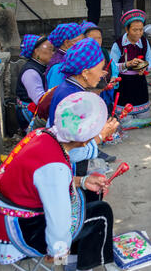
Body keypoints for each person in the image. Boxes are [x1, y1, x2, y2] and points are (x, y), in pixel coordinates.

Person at [0, 91, 114, 271]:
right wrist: (58, 253)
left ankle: (74, 260)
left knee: (91, 194)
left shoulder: (42, 135)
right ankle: (80, 269)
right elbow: (58, 219)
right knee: (101, 213)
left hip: (8, 217)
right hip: (19, 232)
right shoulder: (56, 167)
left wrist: (84, 181)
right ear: (84, 138)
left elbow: (41, 182)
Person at [48, 38, 119, 199]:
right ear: (85, 72)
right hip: (67, 169)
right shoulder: (74, 99)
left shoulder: (67, 87)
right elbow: (71, 152)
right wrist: (101, 136)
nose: (102, 75)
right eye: (100, 69)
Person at [81, 21, 119, 163]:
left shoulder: (103, 52)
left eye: (99, 38)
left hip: (103, 88)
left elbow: (112, 68)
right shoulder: (83, 54)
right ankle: (92, 146)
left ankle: (100, 138)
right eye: (93, 38)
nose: (97, 41)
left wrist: (112, 77)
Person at [110, 9, 151, 119]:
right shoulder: (119, 44)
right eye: (135, 30)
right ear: (127, 29)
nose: (139, 33)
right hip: (124, 85)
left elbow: (149, 58)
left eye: (141, 30)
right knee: (125, 119)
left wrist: (144, 67)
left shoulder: (144, 42)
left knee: (144, 118)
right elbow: (112, 65)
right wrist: (127, 64)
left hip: (140, 83)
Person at [16, 35, 54, 130]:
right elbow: (40, 99)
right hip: (29, 113)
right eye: (50, 49)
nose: (52, 53)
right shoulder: (31, 72)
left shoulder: (41, 66)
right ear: (36, 51)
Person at [46, 23, 84, 88]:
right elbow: (56, 94)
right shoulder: (58, 67)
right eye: (80, 41)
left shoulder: (70, 59)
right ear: (67, 43)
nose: (84, 44)